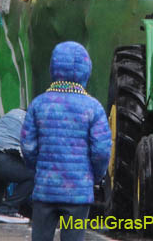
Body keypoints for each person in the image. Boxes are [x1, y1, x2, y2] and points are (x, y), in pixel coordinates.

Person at [21, 42, 112, 241]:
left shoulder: (38, 104)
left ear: (53, 68)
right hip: (78, 192)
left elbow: (28, 146)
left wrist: (39, 169)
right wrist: (94, 176)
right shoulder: (93, 108)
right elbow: (101, 151)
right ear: (86, 69)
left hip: (45, 189)